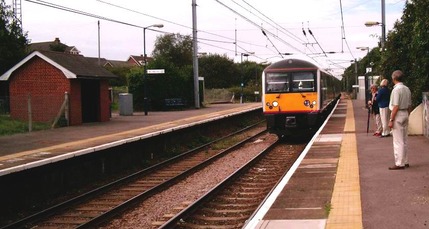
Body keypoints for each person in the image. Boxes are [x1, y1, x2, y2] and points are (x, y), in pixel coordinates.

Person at [388, 70, 412, 170]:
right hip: (405, 113)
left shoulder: (396, 90)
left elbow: (396, 106)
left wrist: (391, 119)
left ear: (394, 78)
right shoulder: (407, 89)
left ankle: (399, 163)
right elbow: (410, 104)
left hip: (398, 115)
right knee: (405, 139)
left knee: (398, 140)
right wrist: (408, 114)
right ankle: (405, 161)